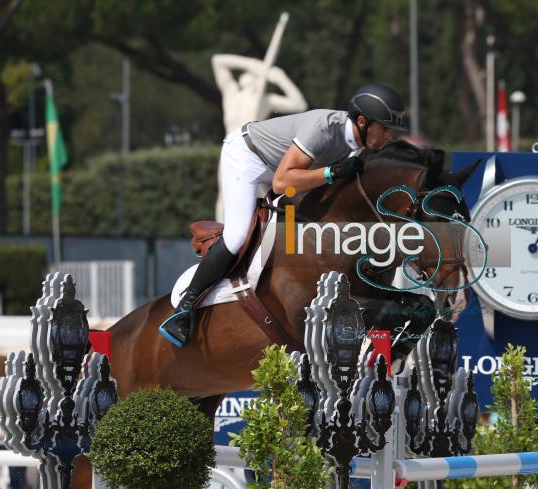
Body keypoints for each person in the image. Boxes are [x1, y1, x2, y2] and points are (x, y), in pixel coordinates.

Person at [159, 84, 409, 348]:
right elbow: (281, 183)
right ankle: (185, 309)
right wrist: (333, 172)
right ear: (362, 121)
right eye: (384, 128)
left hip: (283, 168)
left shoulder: (356, 146)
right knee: (237, 234)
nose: (388, 136)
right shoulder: (323, 129)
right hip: (248, 158)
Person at [211, 53, 309, 221]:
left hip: (254, 151)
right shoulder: (231, 93)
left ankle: (286, 239)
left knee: (282, 192)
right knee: (225, 197)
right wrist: (253, 64)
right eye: (248, 73)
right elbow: (217, 61)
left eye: (254, 74)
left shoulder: (264, 99)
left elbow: (300, 104)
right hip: (231, 149)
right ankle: (220, 239)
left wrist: (280, 77)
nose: (249, 75)